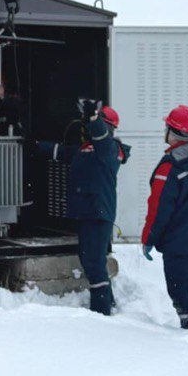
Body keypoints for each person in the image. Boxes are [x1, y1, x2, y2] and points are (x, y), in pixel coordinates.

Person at [36, 103, 130, 314]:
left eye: (94, 124)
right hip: (88, 212)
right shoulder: (88, 149)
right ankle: (109, 302)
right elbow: (65, 152)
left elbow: (100, 137)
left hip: (97, 213)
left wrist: (94, 119)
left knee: (94, 262)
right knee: (91, 259)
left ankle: (101, 309)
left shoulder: (109, 148)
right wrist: (36, 145)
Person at [142, 104, 188, 330]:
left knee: (183, 288)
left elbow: (157, 209)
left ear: (172, 132)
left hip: (181, 243)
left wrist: (149, 239)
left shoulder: (171, 167)